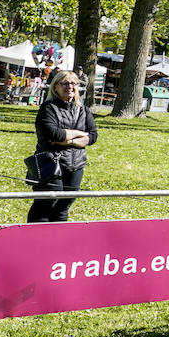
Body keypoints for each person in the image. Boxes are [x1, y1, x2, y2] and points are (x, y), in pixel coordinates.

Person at [26, 70, 97, 223]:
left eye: (73, 83)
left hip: (76, 164)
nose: (70, 87)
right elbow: (53, 134)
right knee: (46, 204)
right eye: (64, 83)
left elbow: (92, 136)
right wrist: (79, 135)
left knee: (64, 206)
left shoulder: (83, 110)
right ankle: (34, 239)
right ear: (55, 87)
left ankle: (57, 240)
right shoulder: (48, 108)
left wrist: (69, 139)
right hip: (50, 164)